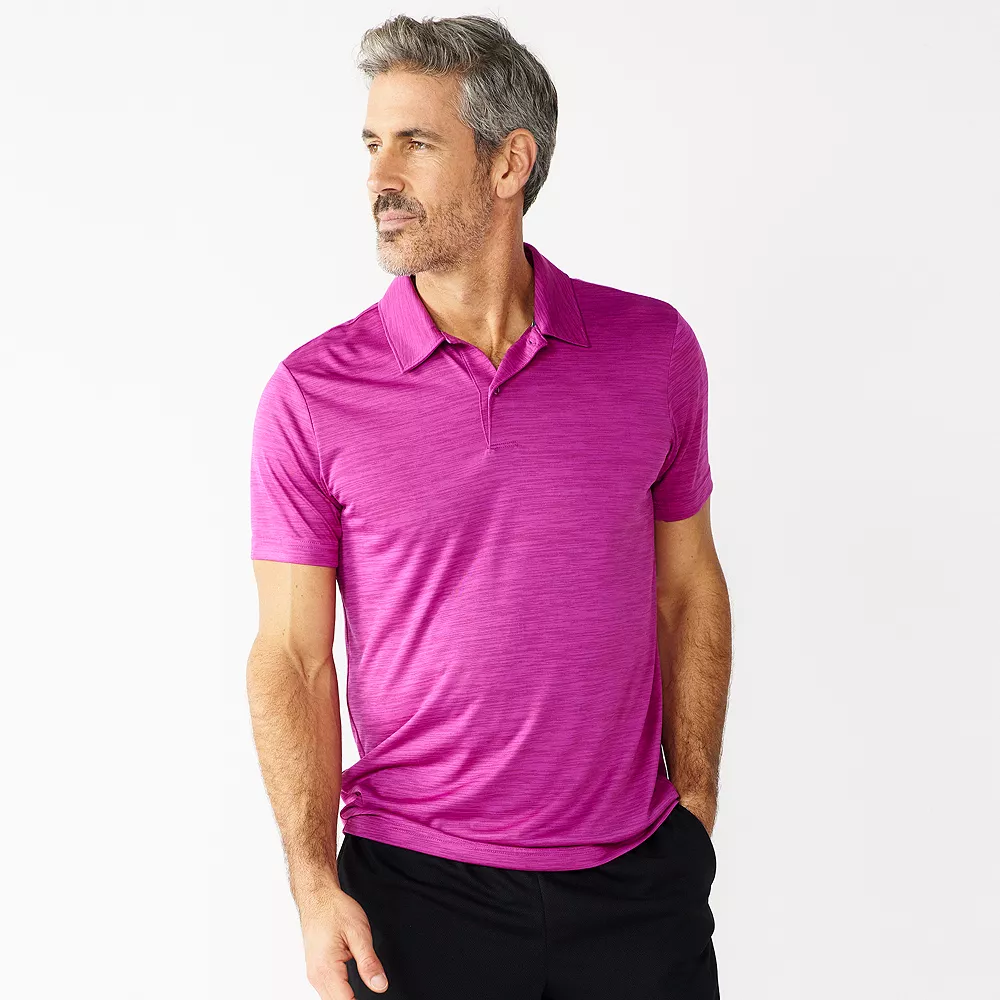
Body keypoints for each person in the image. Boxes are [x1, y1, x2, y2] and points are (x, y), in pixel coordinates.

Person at [247, 13, 732, 1000]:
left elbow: (687, 588)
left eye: (416, 144)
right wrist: (311, 884)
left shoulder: (653, 352)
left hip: (636, 886)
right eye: (372, 144)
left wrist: (694, 807)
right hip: (416, 894)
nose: (380, 177)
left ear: (510, 162)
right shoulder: (314, 392)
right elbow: (293, 655)